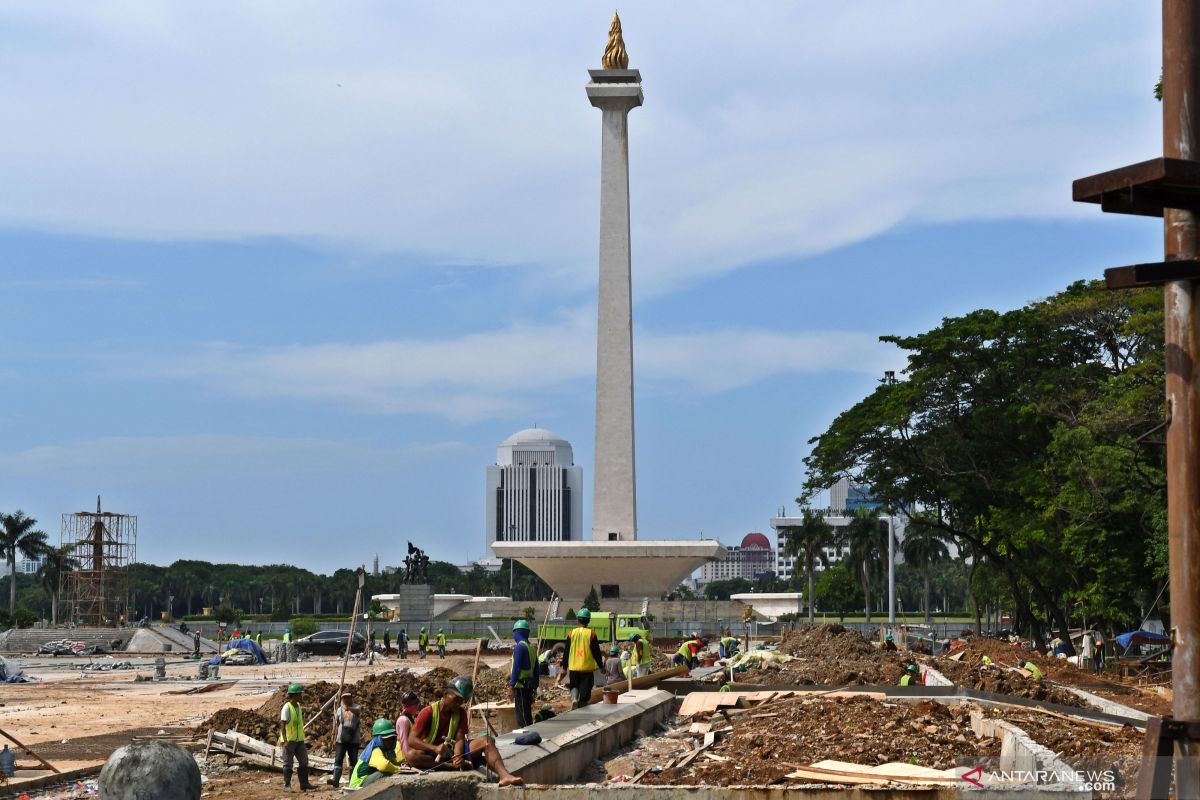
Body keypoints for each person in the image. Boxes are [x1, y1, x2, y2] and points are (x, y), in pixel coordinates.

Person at [404, 676, 523, 786]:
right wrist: (434, 748)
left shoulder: (460, 713)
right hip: (433, 753)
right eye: (456, 699)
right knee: (411, 756)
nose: (458, 703)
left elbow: (460, 738)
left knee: (486, 741)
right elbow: (411, 740)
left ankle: (504, 776)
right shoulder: (428, 712)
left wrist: (457, 756)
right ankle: (449, 767)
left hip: (450, 751)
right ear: (446, 694)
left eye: (461, 701)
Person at [348, 718, 405, 788]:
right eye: (386, 739)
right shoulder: (375, 750)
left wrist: (403, 765)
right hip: (358, 785)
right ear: (378, 738)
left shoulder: (386, 750)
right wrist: (399, 769)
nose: (389, 741)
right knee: (385, 773)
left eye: (391, 738)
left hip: (366, 782)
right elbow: (384, 766)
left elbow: (393, 762)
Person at [278, 683, 313, 792]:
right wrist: (285, 740)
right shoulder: (286, 708)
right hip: (289, 740)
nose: (301, 696)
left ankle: (304, 784)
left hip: (299, 740)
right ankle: (287, 785)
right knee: (288, 763)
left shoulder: (298, 706)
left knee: (304, 761)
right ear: (294, 695)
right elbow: (283, 724)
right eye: (299, 694)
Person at [567, 608, 605, 709]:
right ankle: (582, 705)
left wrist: (564, 666)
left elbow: (566, 651)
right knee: (586, 688)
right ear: (588, 621)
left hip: (573, 667)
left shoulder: (571, 633)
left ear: (578, 620)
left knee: (574, 684)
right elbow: (596, 652)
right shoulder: (591, 634)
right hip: (586, 667)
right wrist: (601, 666)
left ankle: (574, 699)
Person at [509, 620, 538, 729]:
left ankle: (528, 736)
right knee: (527, 713)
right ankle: (529, 734)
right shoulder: (531, 647)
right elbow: (536, 668)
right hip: (529, 685)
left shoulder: (520, 647)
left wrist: (511, 685)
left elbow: (517, 667)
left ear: (516, 633)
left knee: (522, 717)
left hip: (520, 686)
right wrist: (536, 685)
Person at [329, 691, 361, 787]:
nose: (346, 700)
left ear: (351, 698)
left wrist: (349, 709)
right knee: (338, 759)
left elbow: (358, 712)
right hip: (341, 739)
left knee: (353, 761)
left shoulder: (357, 707)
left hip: (354, 739)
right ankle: (335, 780)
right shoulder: (339, 710)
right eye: (344, 698)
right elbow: (337, 724)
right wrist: (334, 738)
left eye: (348, 697)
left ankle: (352, 781)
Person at [394, 690, 421, 755]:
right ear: (412, 706)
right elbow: (404, 741)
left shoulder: (408, 718)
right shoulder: (404, 720)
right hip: (403, 756)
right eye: (417, 705)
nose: (417, 708)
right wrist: (408, 759)